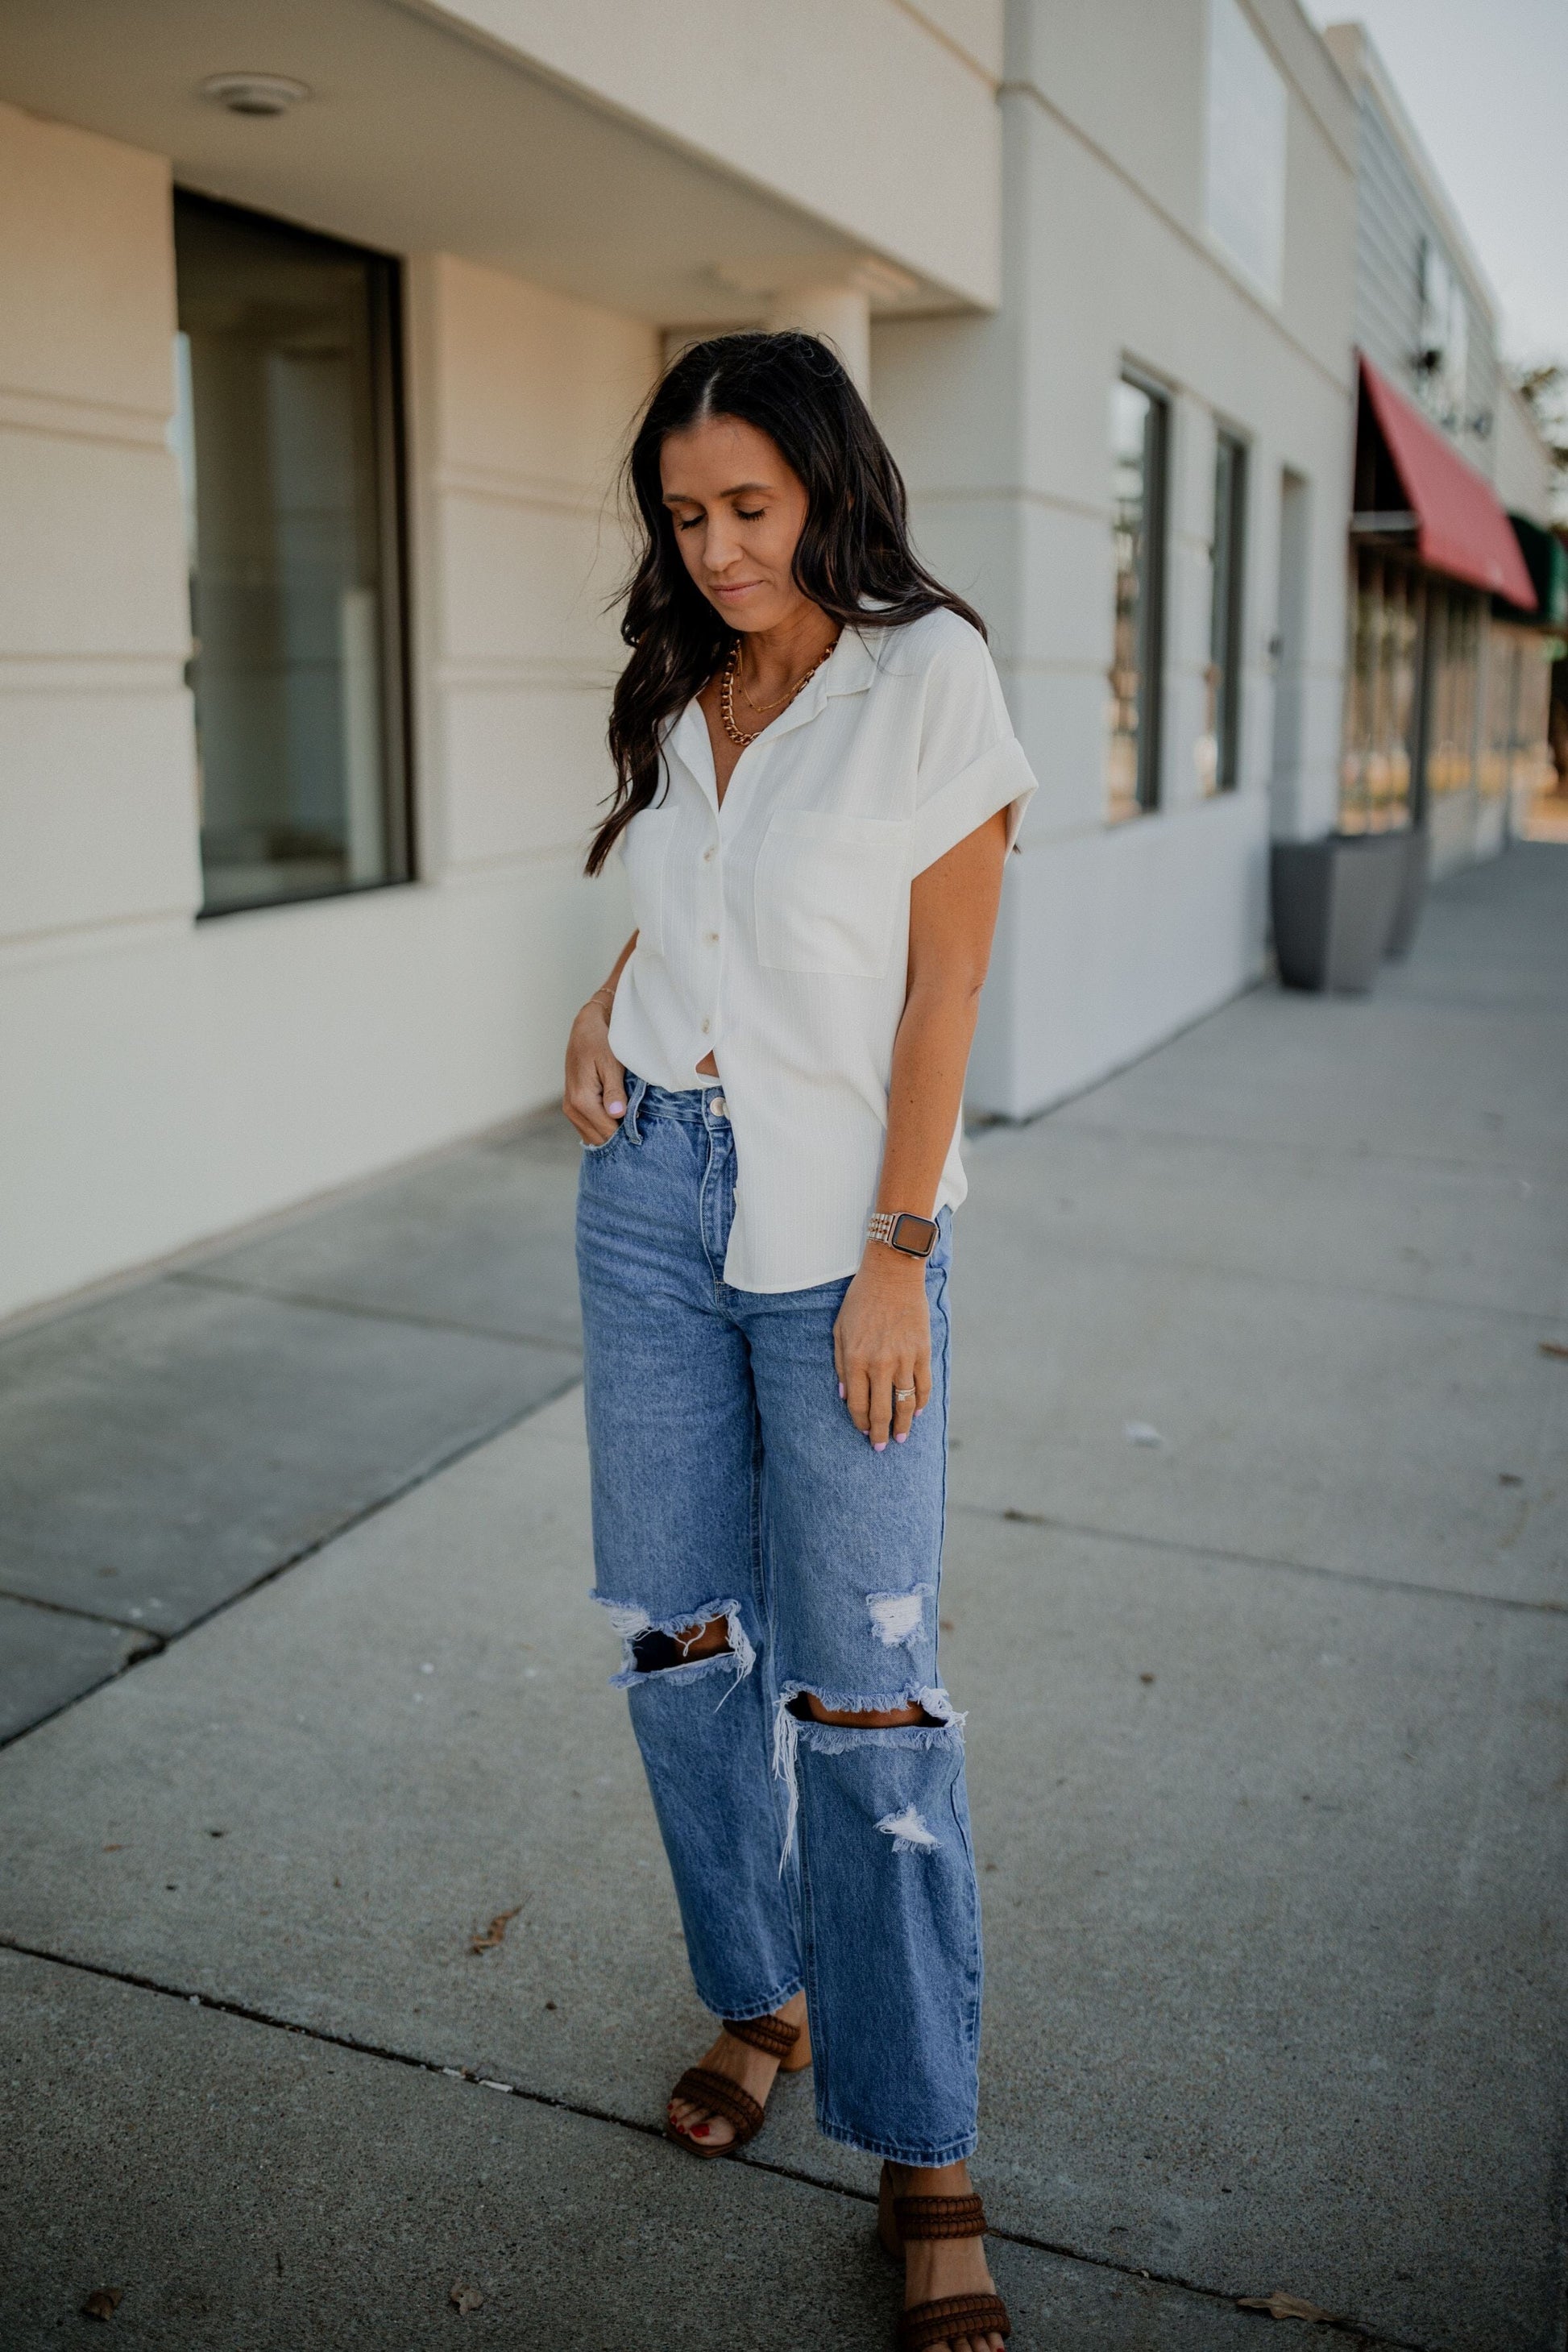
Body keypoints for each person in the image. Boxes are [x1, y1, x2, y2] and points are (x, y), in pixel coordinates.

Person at [563, 330, 1035, 2352]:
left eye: (749, 505)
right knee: (679, 1642)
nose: (721, 545)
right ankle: (762, 1995)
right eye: (687, 514)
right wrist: (606, 997)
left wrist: (901, 1250)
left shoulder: (927, 676)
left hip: (842, 1224)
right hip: (652, 1194)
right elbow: (714, 901)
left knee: (869, 1687)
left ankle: (924, 2141)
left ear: (828, 482)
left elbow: (935, 1000)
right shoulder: (689, 678)